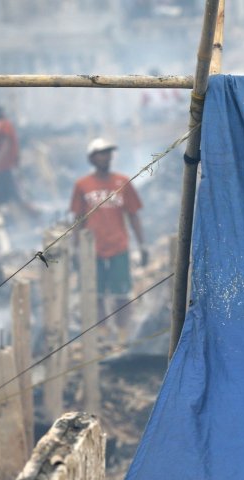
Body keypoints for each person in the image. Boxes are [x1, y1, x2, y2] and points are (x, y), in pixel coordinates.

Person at [70, 138, 147, 340]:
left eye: (108, 152)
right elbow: (78, 219)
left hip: (118, 246)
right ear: (92, 158)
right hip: (92, 249)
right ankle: (102, 334)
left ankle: (122, 335)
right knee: (96, 295)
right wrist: (74, 249)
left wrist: (143, 245)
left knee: (122, 295)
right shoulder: (82, 185)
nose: (106, 157)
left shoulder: (123, 182)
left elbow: (133, 215)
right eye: (101, 153)